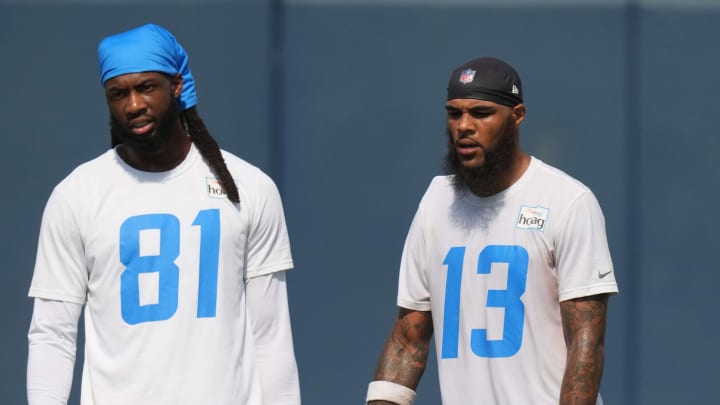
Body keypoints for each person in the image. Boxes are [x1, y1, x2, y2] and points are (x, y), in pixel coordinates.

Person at [26, 23, 300, 405]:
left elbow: (270, 335)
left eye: (146, 88)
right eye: (118, 94)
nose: (133, 105)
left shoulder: (250, 188)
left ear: (177, 86)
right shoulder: (76, 196)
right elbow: (52, 334)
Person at [365, 57, 618, 405]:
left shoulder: (568, 202)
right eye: (454, 114)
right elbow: (409, 341)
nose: (463, 126)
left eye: (481, 113)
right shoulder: (435, 203)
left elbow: (586, 343)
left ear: (517, 116)